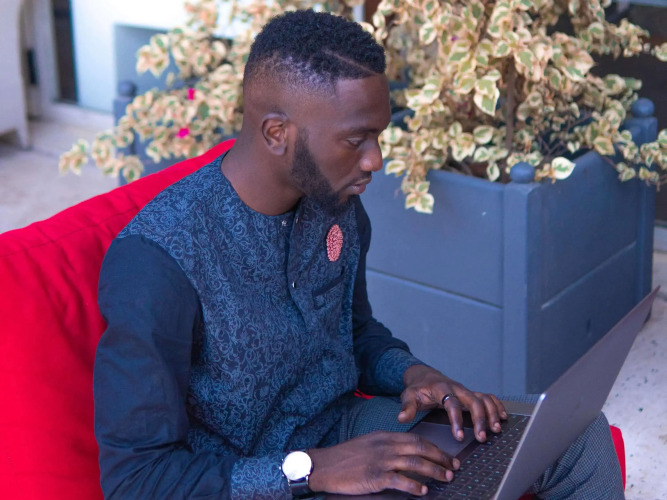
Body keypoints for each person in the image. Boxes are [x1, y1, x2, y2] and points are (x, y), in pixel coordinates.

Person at [93, 10, 624, 499]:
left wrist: (414, 374)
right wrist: (312, 469)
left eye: (379, 136)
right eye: (356, 140)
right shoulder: (159, 262)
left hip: (347, 431)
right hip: (255, 477)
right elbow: (137, 479)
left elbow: (354, 332)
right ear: (277, 133)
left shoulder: (336, 205)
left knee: (576, 435)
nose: (375, 160)